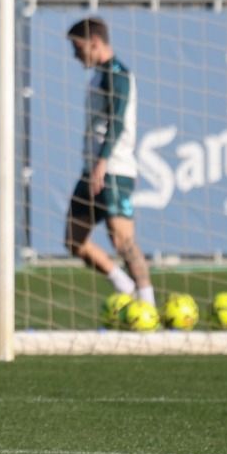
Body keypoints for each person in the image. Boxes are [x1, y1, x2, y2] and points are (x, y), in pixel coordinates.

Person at [65, 17, 152, 306]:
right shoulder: (98, 74)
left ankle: (147, 301)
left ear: (95, 43)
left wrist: (102, 162)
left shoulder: (118, 74)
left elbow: (117, 122)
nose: (75, 54)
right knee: (74, 240)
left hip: (114, 169)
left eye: (78, 48)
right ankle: (124, 285)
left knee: (122, 240)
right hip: (93, 170)